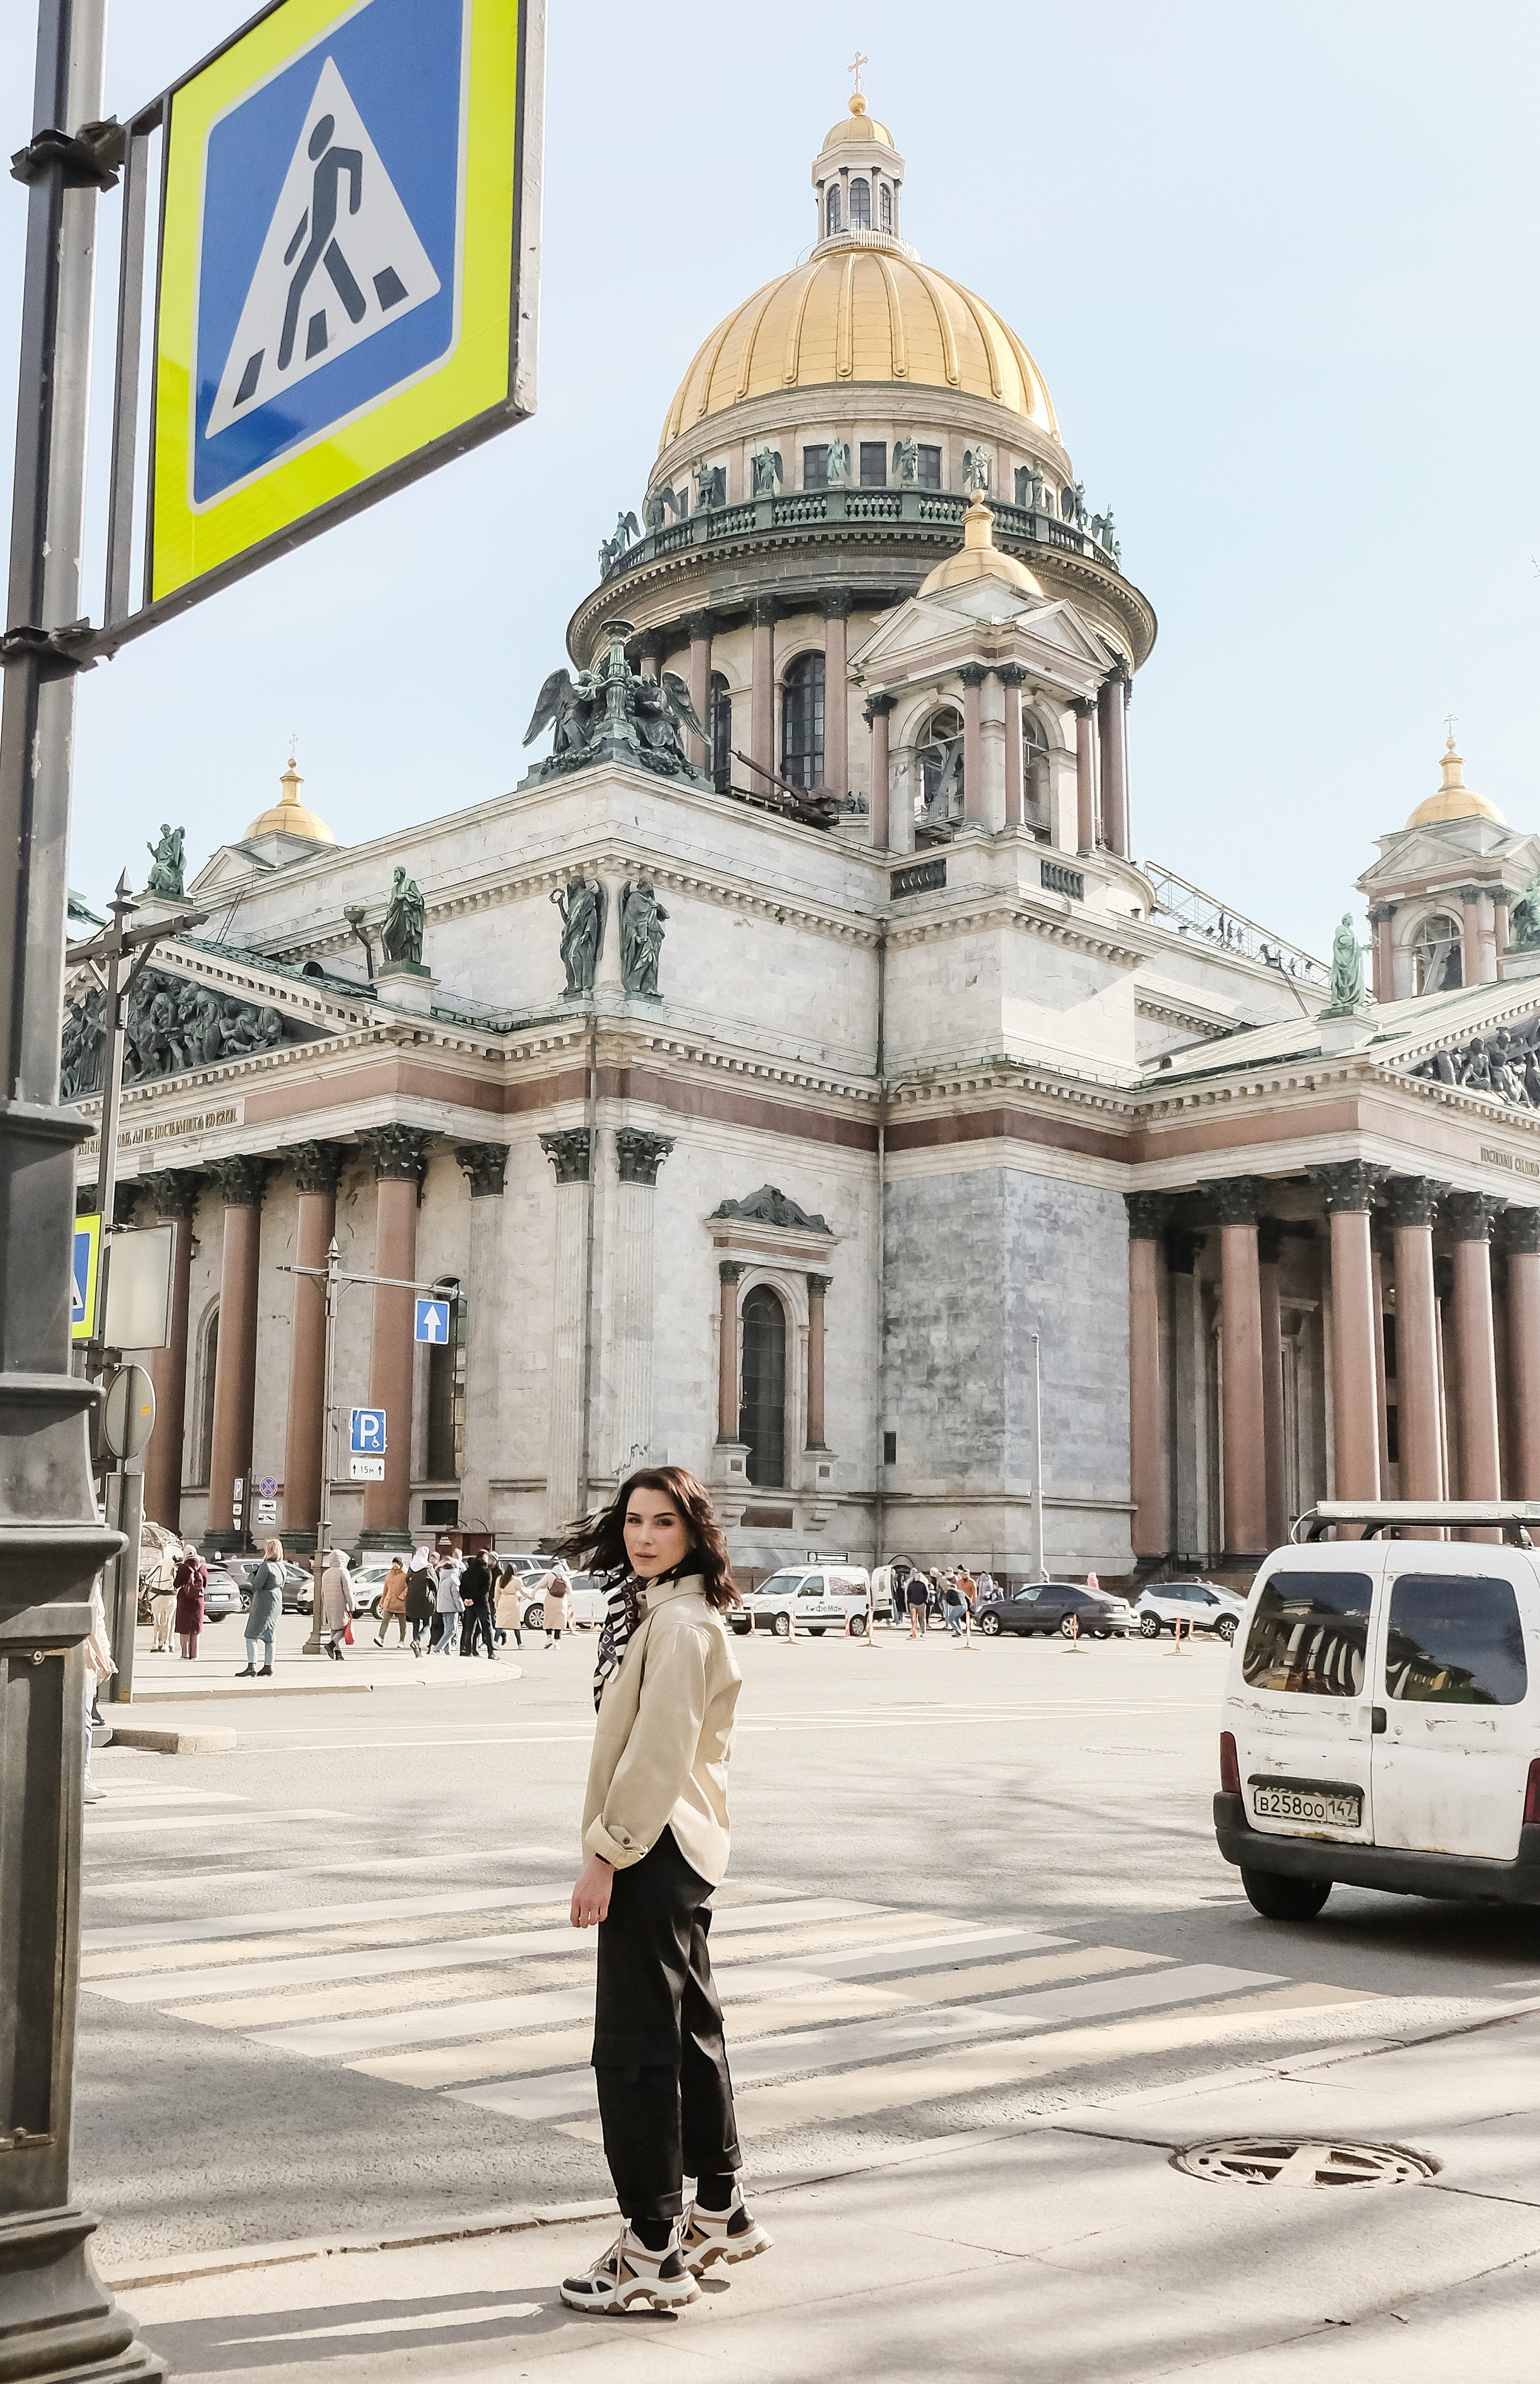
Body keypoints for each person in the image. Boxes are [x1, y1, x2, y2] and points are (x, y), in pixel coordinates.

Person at [556, 1466, 772, 2315]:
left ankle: (650, 2243)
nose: (644, 1536)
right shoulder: (659, 1610)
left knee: (635, 2049)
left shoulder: (679, 1624)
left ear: (694, 1531)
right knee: (690, 2028)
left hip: (652, 1845)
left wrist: (605, 1853)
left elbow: (657, 1753)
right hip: (682, 1841)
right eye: (635, 1520)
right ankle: (718, 2206)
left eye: (664, 1522)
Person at [83, 1575, 116, 1804]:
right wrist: (104, 1656)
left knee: (84, 1721)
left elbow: (99, 1622)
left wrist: (106, 1653)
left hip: (86, 1664)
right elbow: (92, 1623)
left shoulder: (93, 1582)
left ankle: (82, 1777)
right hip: (76, 1658)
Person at [240, 1538, 285, 1677]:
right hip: (277, 1601)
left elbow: (258, 1585)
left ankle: (252, 1665)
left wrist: (252, 1576)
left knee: (251, 1634)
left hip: (264, 1601)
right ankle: (268, 1665)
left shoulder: (266, 1566)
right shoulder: (282, 1566)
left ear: (269, 1550)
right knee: (270, 1635)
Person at [460, 1549, 497, 1659]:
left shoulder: (467, 1572)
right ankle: (491, 1652)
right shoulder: (486, 1572)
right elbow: (486, 1589)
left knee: (469, 1628)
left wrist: (466, 1599)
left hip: (469, 1604)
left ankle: (468, 1652)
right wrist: (474, 1599)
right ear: (485, 1558)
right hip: (481, 1604)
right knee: (487, 1627)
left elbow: (462, 1588)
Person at [319, 1548, 354, 1661]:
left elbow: (322, 1592)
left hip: (329, 1604)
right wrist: (352, 1606)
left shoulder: (326, 1573)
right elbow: (348, 1591)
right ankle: (332, 1644)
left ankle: (338, 1653)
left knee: (334, 1628)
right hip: (341, 1603)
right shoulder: (343, 1572)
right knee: (344, 1628)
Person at [174, 1552, 205, 1659]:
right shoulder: (203, 1568)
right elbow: (205, 1585)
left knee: (184, 1627)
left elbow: (176, 1584)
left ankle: (185, 1654)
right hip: (198, 1601)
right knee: (196, 1627)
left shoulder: (183, 1568)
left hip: (185, 1600)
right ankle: (195, 1655)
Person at [149, 1544, 179, 1653]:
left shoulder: (175, 1557)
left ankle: (168, 1642)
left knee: (169, 1621)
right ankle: (156, 1642)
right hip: (158, 1590)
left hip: (171, 1594)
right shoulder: (159, 1566)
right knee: (157, 1620)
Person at [405, 1547, 435, 1655]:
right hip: (425, 1599)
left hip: (412, 1599)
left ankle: (417, 1650)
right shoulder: (428, 1568)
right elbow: (435, 1584)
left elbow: (407, 1580)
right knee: (428, 1623)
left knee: (416, 1623)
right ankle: (417, 1640)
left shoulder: (411, 1567)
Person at [432, 1554, 462, 1655]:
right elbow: (456, 1596)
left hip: (442, 1607)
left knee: (447, 1630)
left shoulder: (443, 1578)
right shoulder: (454, 1579)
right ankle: (437, 1649)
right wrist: (461, 1608)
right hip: (451, 1608)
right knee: (452, 1631)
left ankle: (447, 1651)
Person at [377, 1556, 410, 1646]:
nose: (395, 1566)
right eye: (393, 1564)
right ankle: (380, 1638)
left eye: (397, 1564)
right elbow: (386, 1589)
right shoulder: (389, 1575)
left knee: (402, 1623)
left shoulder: (405, 1575)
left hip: (400, 1603)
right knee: (385, 1621)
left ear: (401, 1565)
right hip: (389, 1602)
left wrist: (402, 1596)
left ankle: (402, 1641)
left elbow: (408, 1588)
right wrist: (382, 1601)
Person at [493, 1559, 526, 1651]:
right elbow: (524, 1592)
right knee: (516, 1625)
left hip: (502, 1601)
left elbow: (497, 1593)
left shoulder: (500, 1579)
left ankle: (495, 1641)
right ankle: (520, 1644)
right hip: (513, 1602)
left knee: (500, 1623)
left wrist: (496, 1604)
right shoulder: (516, 1580)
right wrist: (530, 1596)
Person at [540, 1558, 572, 1650]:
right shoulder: (565, 1577)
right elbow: (569, 1592)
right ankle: (557, 1643)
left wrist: (533, 1593)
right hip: (561, 1602)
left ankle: (549, 1638)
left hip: (550, 1601)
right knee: (559, 1622)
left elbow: (539, 1585)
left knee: (548, 1620)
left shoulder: (549, 1576)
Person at [905, 1566, 928, 1639]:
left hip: (922, 1604)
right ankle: (914, 1632)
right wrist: (909, 1602)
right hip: (913, 1603)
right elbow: (908, 1593)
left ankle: (923, 1632)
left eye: (920, 1575)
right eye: (917, 1575)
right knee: (913, 1618)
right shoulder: (910, 1583)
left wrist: (925, 1602)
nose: (919, 1576)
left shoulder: (923, 1583)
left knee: (922, 1618)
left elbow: (926, 1593)